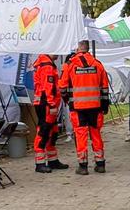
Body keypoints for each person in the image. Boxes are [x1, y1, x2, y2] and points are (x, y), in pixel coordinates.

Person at [59, 40, 111, 175]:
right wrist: (105, 105)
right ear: (87, 48)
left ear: (78, 48)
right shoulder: (98, 64)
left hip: (78, 108)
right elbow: (105, 87)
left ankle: (83, 166)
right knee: (96, 134)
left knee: (81, 136)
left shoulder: (70, 65)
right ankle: (100, 164)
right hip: (96, 107)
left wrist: (67, 100)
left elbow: (62, 87)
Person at [32, 53, 68, 173]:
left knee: (52, 132)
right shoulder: (47, 65)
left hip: (46, 103)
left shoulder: (46, 63)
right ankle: (40, 163)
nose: (58, 54)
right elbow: (48, 87)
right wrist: (52, 105)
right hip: (46, 104)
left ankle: (52, 160)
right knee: (44, 132)